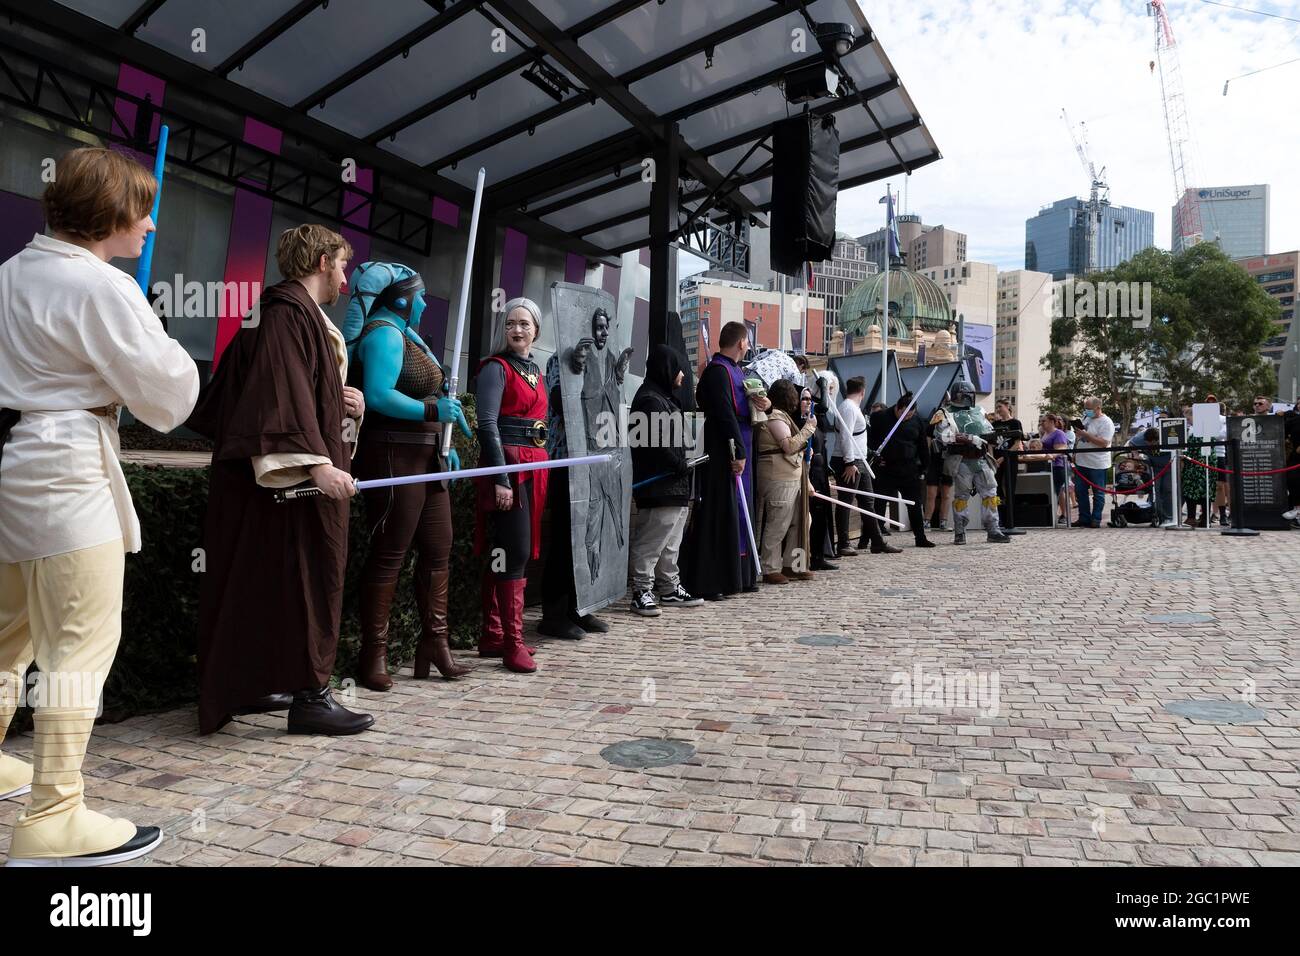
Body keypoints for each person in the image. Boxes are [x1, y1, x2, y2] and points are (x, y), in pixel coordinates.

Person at [0, 147, 199, 866]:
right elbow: (173, 397)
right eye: (141, 209)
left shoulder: (10, 274)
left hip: (16, 465)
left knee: (8, 639)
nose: (149, 224)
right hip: (68, 472)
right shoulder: (102, 289)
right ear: (109, 212)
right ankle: (54, 817)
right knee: (77, 648)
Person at [191, 224, 373, 738]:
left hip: (277, 482)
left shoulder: (285, 314)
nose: (344, 275)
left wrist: (343, 400)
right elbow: (279, 393)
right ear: (320, 261)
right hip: (293, 483)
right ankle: (311, 698)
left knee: (271, 580)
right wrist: (317, 465)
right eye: (341, 264)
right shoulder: (284, 315)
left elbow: (294, 390)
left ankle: (256, 683)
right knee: (311, 580)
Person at [345, 262, 474, 691]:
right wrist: (432, 412)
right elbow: (378, 395)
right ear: (400, 299)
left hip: (428, 457)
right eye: (419, 295)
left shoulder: (409, 334)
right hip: (393, 456)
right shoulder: (384, 333)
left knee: (439, 548)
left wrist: (445, 441)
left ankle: (434, 644)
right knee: (391, 552)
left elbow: (431, 395)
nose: (423, 302)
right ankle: (373, 652)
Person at [474, 298, 549, 673]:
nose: (517, 330)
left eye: (524, 324)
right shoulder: (495, 368)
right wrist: (501, 479)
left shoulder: (536, 370)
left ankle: (494, 634)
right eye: (510, 324)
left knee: (506, 550)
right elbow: (486, 425)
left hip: (534, 470)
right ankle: (512, 644)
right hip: (508, 470)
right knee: (513, 550)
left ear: (536, 329)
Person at [680, 321, 770, 599]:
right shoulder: (718, 371)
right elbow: (724, 414)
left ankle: (739, 575)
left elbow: (740, 410)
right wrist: (738, 452)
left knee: (740, 513)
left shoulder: (736, 371)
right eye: (747, 342)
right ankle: (714, 579)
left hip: (739, 442)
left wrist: (764, 404)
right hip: (724, 450)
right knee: (721, 512)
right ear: (741, 343)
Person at [627, 345, 702, 615]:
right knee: (652, 540)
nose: (681, 375)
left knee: (671, 542)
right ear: (666, 369)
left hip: (676, 485)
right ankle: (641, 590)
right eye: (678, 369)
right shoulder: (649, 399)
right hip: (658, 485)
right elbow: (651, 443)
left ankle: (669, 587)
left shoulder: (665, 398)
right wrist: (676, 463)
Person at [931, 381, 1012, 544]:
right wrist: (969, 438)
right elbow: (942, 436)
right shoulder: (944, 413)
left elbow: (987, 429)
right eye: (967, 395)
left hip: (982, 458)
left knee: (990, 494)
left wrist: (995, 437)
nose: (969, 398)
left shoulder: (979, 410)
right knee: (961, 497)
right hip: (962, 459)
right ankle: (960, 532)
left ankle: (993, 529)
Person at [755, 379, 818, 584]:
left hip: (791, 476)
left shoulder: (780, 416)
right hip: (779, 477)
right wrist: (808, 429)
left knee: (801, 520)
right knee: (778, 523)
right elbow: (789, 446)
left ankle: (794, 564)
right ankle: (770, 568)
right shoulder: (774, 416)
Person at [831, 377, 897, 556]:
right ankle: (843, 544)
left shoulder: (850, 408)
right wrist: (849, 462)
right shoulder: (849, 408)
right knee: (845, 501)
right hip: (851, 461)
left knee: (868, 502)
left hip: (860, 460)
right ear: (863, 391)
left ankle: (877, 541)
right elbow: (845, 436)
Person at [869, 391, 936, 548]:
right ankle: (875, 539)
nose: (907, 418)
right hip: (886, 469)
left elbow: (922, 447)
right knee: (879, 504)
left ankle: (920, 537)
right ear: (899, 408)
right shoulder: (880, 418)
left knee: (914, 504)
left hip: (909, 469)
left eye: (910, 416)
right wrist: (875, 457)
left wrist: (924, 468)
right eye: (905, 415)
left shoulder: (917, 421)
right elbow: (870, 440)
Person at [807, 374, 840, 570]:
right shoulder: (811, 410)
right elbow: (823, 407)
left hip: (820, 469)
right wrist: (824, 385)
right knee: (815, 515)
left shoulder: (818, 415)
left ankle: (819, 555)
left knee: (821, 516)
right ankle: (814, 556)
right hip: (812, 472)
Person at [1070, 396, 1115, 528]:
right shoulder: (1086, 419)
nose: (1087, 411)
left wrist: (1086, 435)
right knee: (1080, 491)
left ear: (1098, 408)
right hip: (1081, 461)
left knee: (1098, 492)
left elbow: (1104, 443)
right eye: (1085, 408)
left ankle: (1096, 519)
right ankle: (1084, 518)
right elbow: (1080, 438)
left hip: (1097, 463)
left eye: (1089, 409)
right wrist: (1075, 451)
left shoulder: (1106, 422)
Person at [990, 399, 1025, 531]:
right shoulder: (995, 424)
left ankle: (1010, 519)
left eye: (1000, 407)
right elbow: (991, 444)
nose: (998, 409)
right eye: (996, 407)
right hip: (996, 460)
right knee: (996, 489)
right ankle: (998, 517)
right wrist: (992, 458)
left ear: (1007, 407)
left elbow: (1017, 443)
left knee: (1009, 487)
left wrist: (1003, 458)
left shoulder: (1016, 423)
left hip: (1010, 459)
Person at [1127, 425, 1173, 525]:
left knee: (1168, 489)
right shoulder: (1140, 437)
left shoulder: (1167, 437)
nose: (1149, 445)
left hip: (1169, 466)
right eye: (1147, 443)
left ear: (1158, 440)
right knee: (1154, 490)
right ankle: (1156, 515)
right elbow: (1131, 443)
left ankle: (1169, 517)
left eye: (1152, 443)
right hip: (1153, 467)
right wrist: (1135, 455)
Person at [924, 397, 954, 532]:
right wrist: (927, 455)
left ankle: (943, 521)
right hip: (935, 458)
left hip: (949, 457)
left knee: (946, 494)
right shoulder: (939, 413)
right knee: (931, 493)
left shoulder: (956, 415)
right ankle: (927, 521)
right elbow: (929, 434)